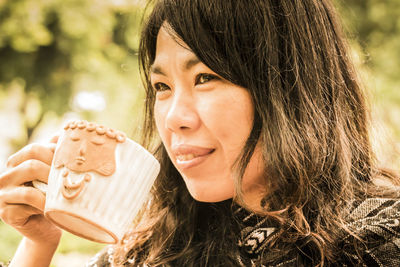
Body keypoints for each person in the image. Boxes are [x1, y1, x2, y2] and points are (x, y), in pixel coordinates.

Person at [1, 0, 400, 266]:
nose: (174, 118)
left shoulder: (376, 242)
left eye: (205, 77)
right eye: (163, 87)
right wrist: (39, 243)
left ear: (290, 86)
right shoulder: (149, 250)